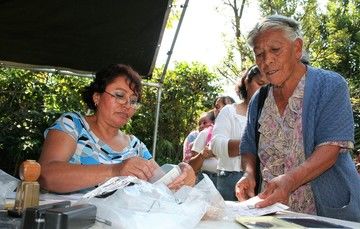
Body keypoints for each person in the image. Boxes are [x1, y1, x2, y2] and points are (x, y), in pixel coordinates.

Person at [236, 15, 360, 222]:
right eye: (259, 54)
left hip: (326, 213)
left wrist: (289, 181)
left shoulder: (330, 85)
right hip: (273, 213)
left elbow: (330, 149)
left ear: (297, 48)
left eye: (275, 50)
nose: (266, 61)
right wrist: (249, 174)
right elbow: (248, 145)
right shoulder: (259, 99)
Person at [38, 64, 195, 193]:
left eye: (133, 101)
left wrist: (182, 171)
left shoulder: (135, 146)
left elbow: (163, 183)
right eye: (119, 95)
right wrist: (115, 171)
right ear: (97, 97)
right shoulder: (73, 125)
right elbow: (46, 175)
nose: (127, 105)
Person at [211, 65, 267, 200]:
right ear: (246, 82)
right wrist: (252, 144)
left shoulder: (270, 116)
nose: (263, 90)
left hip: (264, 181)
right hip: (231, 180)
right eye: (260, 83)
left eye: (269, 87)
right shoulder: (230, 111)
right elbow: (216, 145)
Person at [188, 97, 235, 185]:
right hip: (205, 185)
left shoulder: (238, 136)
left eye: (226, 107)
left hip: (230, 184)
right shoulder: (205, 134)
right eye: (217, 107)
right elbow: (191, 167)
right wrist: (202, 155)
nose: (220, 110)